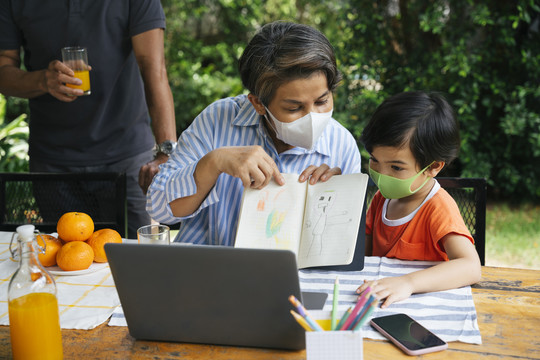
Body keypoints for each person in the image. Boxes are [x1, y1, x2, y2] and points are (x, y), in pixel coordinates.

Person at [147, 21, 361, 245]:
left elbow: (343, 244)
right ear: (258, 103)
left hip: (296, 277)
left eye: (322, 101)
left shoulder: (341, 145)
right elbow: (160, 210)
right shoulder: (217, 121)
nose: (312, 117)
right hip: (211, 271)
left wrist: (338, 202)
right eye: (293, 108)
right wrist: (214, 163)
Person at [0, 0, 176, 238]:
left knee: (140, 262)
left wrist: (166, 151)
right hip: (52, 164)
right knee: (64, 262)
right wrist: (43, 80)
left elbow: (154, 68)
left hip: (128, 159)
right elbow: (3, 71)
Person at [356, 91, 481, 308]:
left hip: (423, 306)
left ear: (433, 167)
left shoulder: (438, 208)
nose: (382, 174)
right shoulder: (381, 199)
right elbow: (362, 258)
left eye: (396, 167)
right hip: (381, 302)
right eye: (374, 160)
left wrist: (408, 282)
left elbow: (471, 267)